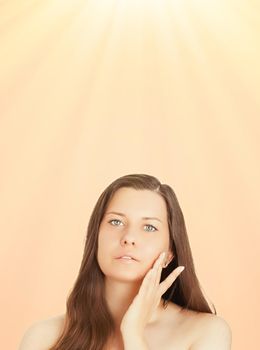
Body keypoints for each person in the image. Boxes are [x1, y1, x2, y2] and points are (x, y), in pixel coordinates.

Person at [18, 173, 232, 350]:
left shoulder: (206, 332)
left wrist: (133, 333)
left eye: (149, 227)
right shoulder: (43, 338)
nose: (129, 237)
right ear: (96, 238)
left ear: (170, 253)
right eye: (116, 221)